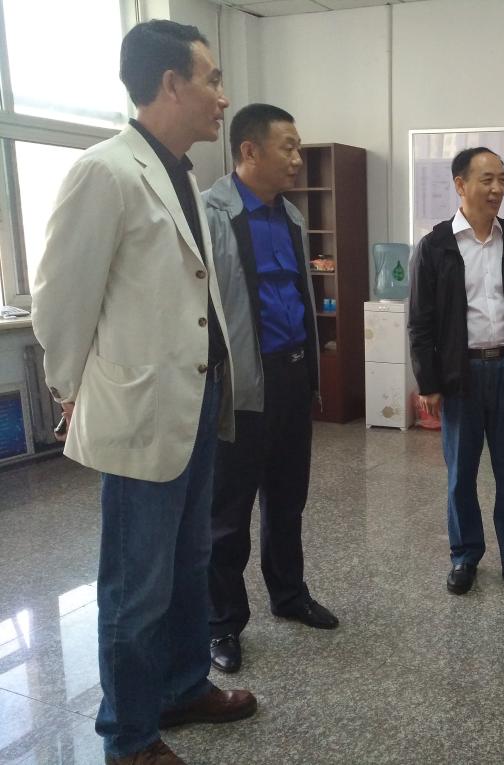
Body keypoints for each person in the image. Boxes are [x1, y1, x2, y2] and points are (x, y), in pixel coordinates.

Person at [32, 20, 257, 765]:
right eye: (212, 79)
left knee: (190, 563)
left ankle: (183, 686)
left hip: (195, 400)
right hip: (141, 408)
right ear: (171, 83)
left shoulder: (181, 173)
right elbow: (61, 302)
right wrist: (72, 391)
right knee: (137, 585)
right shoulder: (106, 171)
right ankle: (128, 737)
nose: (222, 96)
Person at [202, 103, 337, 675]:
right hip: (240, 380)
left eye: (299, 147)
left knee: (287, 498)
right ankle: (222, 623)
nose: (297, 158)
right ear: (249, 150)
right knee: (228, 513)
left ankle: (289, 594)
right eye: (289, 147)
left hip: (291, 373)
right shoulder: (211, 213)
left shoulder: (292, 216)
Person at [408, 147, 504, 597]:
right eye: (487, 179)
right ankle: (464, 556)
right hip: (460, 376)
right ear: (460, 184)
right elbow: (420, 322)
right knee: (460, 476)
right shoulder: (435, 246)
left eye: (502, 179)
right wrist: (428, 382)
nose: (497, 188)